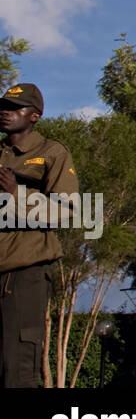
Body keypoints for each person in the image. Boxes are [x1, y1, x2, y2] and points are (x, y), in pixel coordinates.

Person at [0, 83, 79, 387]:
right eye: (2, 107)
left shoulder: (51, 153)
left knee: (18, 371)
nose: (5, 113)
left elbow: (68, 210)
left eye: (14, 107)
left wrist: (15, 193)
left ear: (34, 115)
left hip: (22, 277)